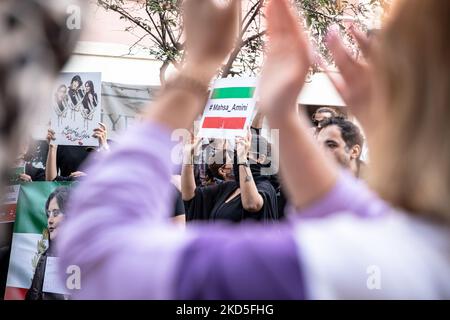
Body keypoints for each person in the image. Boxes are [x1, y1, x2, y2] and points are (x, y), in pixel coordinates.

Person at [58, 0, 450, 299]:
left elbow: (95, 255)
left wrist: (199, 66)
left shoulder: (348, 260)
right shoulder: (424, 246)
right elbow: (356, 212)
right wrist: (281, 110)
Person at [182, 131, 278, 223]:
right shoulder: (229, 187)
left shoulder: (266, 188)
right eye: (237, 151)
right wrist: (188, 157)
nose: (236, 158)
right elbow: (191, 197)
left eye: (245, 151)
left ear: (261, 158)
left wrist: (242, 160)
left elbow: (251, 205)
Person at [26, 187, 70, 300]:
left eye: (56, 213)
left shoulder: (89, 259)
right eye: (48, 214)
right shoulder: (44, 257)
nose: (50, 220)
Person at [45, 123, 110, 181]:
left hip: (94, 191)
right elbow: (50, 180)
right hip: (66, 191)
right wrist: (52, 147)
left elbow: (111, 178)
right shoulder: (61, 142)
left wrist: (104, 146)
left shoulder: (103, 143)